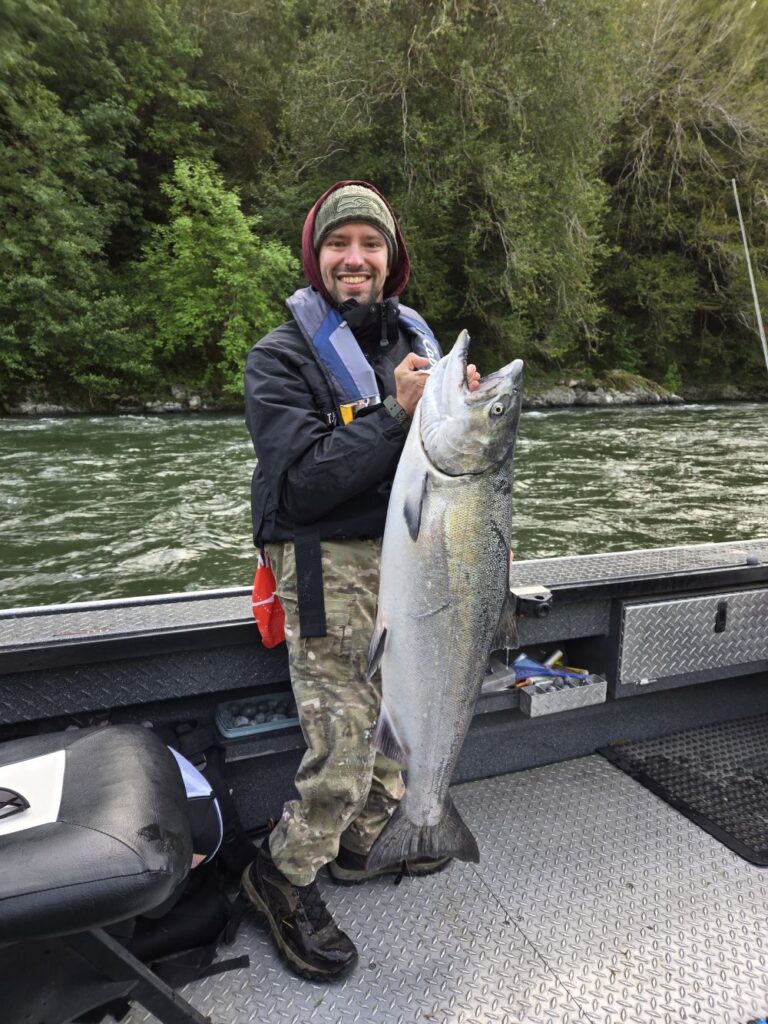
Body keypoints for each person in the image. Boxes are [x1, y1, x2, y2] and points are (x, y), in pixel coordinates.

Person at [242, 180, 480, 981]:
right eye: (339, 244)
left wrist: (456, 413)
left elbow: (447, 478)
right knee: (344, 745)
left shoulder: (413, 347)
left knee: (397, 732)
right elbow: (302, 484)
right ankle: (280, 875)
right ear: (317, 258)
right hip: (323, 568)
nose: (355, 259)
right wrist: (394, 415)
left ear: (391, 260)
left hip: (406, 566)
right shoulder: (278, 359)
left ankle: (363, 844)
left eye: (370, 245)